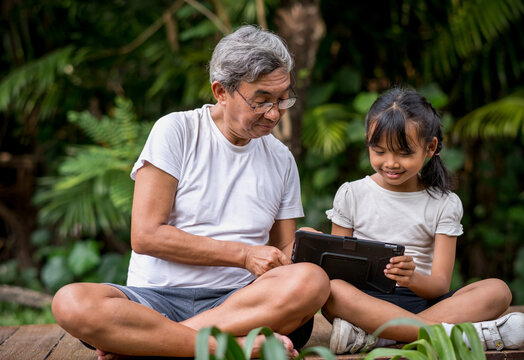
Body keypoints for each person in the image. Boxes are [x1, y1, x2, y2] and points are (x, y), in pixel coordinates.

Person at [51, 25, 330, 360]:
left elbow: (283, 249)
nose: (274, 113)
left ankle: (152, 345)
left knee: (311, 281)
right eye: (261, 100)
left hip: (241, 303)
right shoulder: (177, 131)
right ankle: (223, 347)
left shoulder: (281, 158)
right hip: (155, 299)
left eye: (282, 98)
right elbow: (145, 235)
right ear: (221, 91)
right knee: (71, 302)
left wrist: (305, 245)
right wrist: (242, 255)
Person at [316, 87, 524, 354]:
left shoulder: (444, 203)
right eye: (380, 151)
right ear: (367, 142)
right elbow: (338, 268)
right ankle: (458, 335)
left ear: (430, 147)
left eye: (404, 153)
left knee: (498, 291)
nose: (391, 163)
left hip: (423, 302)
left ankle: (380, 336)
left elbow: (440, 284)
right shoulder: (353, 194)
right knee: (333, 290)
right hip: (366, 303)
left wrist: (412, 278)